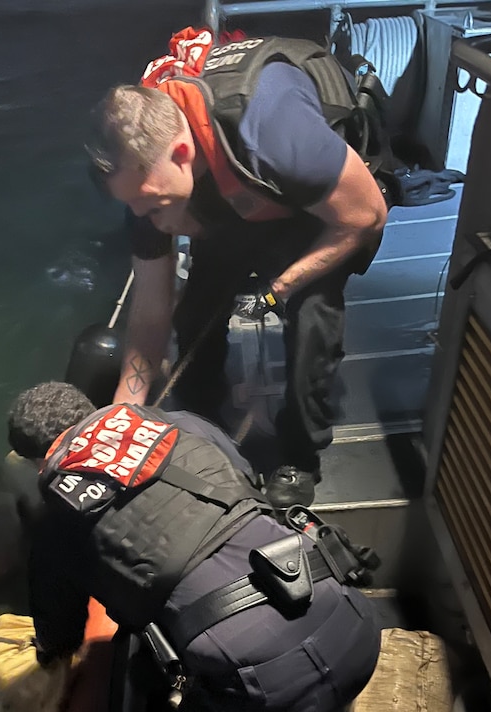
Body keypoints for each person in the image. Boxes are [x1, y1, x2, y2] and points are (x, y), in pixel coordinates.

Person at [7, 380, 381, 712]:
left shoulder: (55, 517)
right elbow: (246, 480)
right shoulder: (177, 422)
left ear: (39, 460)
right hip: (352, 616)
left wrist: (48, 659)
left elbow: (59, 635)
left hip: (260, 687)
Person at [86, 28, 390, 508]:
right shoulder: (145, 188)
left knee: (314, 319)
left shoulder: (276, 136)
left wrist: (280, 288)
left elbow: (368, 216)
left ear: (182, 155)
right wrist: (123, 418)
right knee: (192, 316)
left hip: (310, 210)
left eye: (152, 206)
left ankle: (301, 454)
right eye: (137, 208)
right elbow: (148, 316)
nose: (148, 221)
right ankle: (205, 426)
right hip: (228, 200)